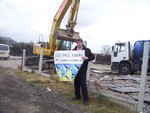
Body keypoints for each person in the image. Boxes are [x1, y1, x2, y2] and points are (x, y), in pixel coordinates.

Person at [72, 38, 95, 105]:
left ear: (82, 43)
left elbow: (93, 57)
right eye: (77, 42)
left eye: (80, 42)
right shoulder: (73, 50)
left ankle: (86, 99)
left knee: (83, 84)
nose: (78, 44)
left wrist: (87, 58)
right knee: (76, 83)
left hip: (83, 69)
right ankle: (77, 96)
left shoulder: (87, 50)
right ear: (76, 43)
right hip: (75, 69)